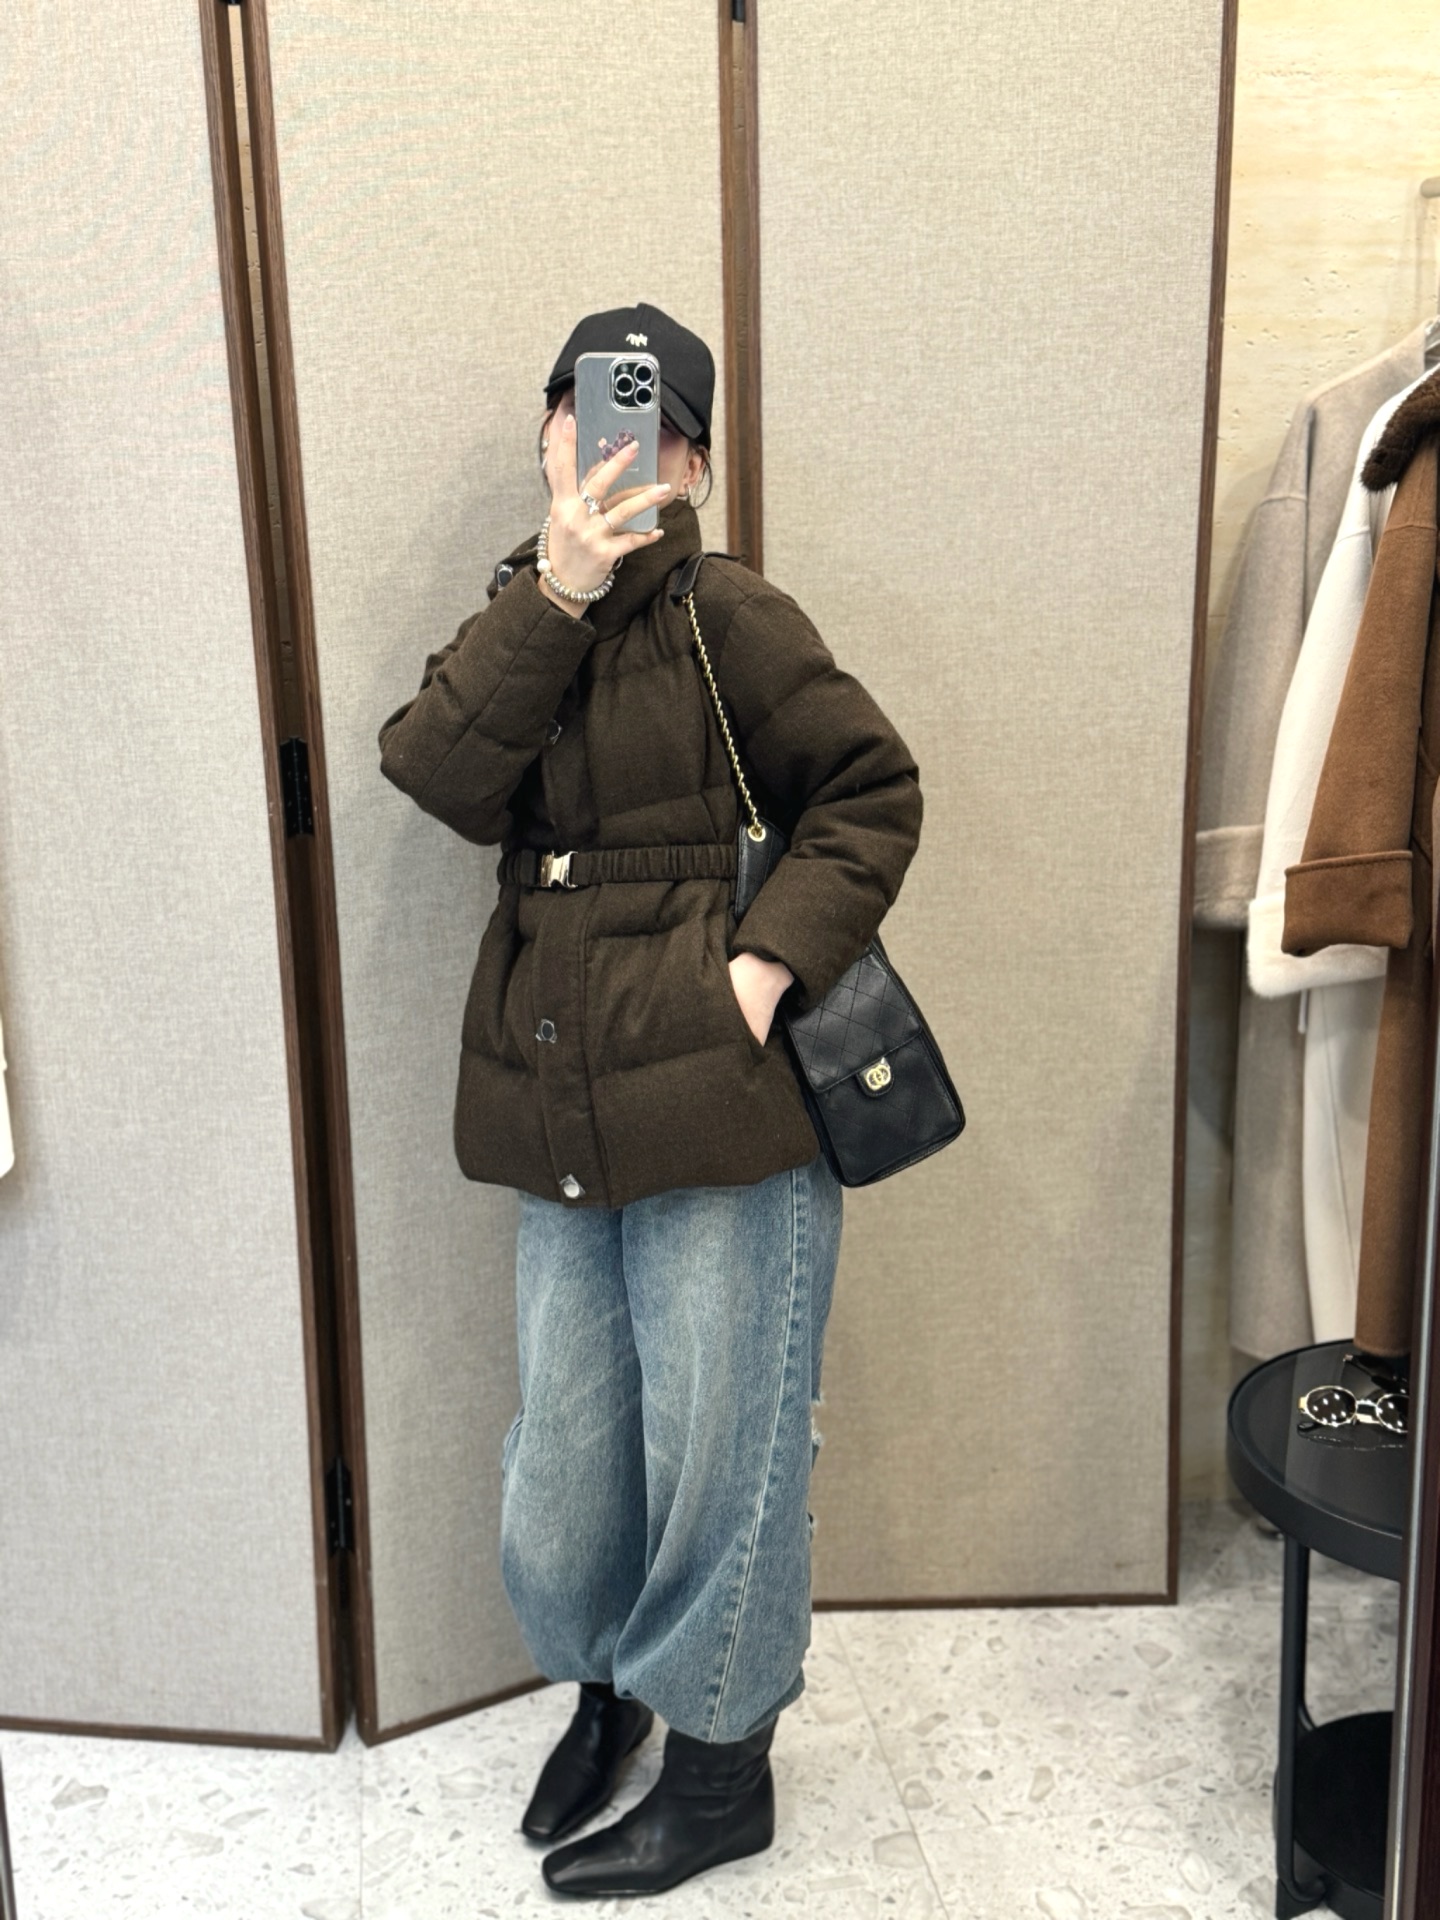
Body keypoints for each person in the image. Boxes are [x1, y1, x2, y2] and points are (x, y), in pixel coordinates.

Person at [377, 301, 923, 1897]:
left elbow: (872, 791)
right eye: (588, 412)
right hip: (559, 1110)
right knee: (572, 1457)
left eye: (654, 426)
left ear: (693, 463)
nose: (616, 445)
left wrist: (757, 973)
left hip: (726, 1112)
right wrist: (555, 592)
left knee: (721, 1451)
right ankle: (610, 1690)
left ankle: (722, 1770)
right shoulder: (516, 610)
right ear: (551, 435)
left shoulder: (729, 613)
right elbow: (436, 775)